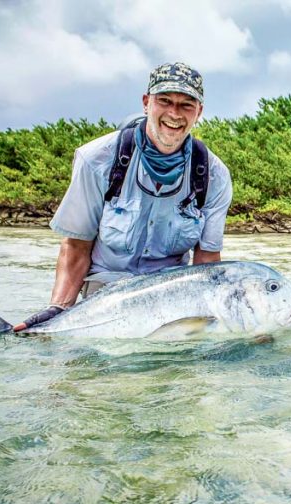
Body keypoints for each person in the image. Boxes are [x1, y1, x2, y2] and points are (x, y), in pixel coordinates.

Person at [14, 62, 233, 331]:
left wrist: (229, 325)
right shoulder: (97, 160)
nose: (174, 114)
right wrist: (58, 310)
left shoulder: (215, 175)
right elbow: (76, 246)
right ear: (146, 103)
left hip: (172, 295)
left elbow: (207, 262)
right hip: (105, 291)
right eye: (165, 101)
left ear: (199, 112)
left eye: (186, 104)